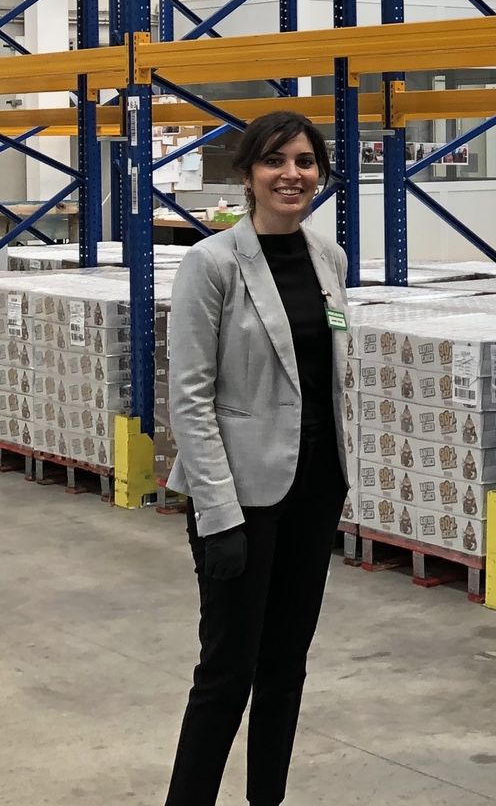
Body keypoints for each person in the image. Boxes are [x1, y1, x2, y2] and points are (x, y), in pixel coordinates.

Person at [163, 112, 351, 806]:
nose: (292, 175)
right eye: (275, 161)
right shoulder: (211, 264)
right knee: (226, 674)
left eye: (305, 161)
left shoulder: (329, 259)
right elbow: (191, 399)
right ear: (247, 174)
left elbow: (328, 377)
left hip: (314, 488)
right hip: (238, 499)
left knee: (286, 668)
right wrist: (219, 516)